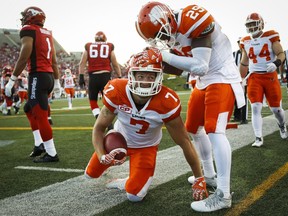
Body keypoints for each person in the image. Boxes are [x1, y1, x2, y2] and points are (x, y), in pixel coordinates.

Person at [135, 1, 245, 212]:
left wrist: (163, 55)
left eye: (162, 35)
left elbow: (201, 66)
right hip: (203, 82)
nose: (163, 41)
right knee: (193, 128)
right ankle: (210, 176)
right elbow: (178, 70)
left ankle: (223, 194)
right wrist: (153, 61)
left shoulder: (192, 19)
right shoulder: (168, 32)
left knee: (215, 130)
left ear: (167, 20)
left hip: (221, 76)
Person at [85, 51, 208, 203]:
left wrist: (199, 178)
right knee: (89, 174)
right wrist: (101, 155)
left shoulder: (166, 102)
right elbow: (98, 128)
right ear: (132, 76)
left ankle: (126, 181)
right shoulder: (117, 91)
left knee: (134, 196)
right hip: (118, 140)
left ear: (159, 77)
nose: (145, 82)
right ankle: (108, 161)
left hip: (145, 147)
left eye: (151, 76)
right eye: (141, 76)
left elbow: (185, 142)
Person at [5, 6, 61, 162]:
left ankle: (51, 153)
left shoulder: (29, 30)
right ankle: (39, 144)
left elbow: (24, 57)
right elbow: (55, 62)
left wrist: (11, 80)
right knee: (28, 108)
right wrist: (56, 82)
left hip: (38, 76)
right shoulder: (48, 33)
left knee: (40, 115)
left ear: (30, 17)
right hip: (48, 76)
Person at [239, 12, 287, 147]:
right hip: (254, 76)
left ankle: (282, 125)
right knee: (255, 107)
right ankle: (258, 137)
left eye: (254, 24)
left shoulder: (271, 35)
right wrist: (240, 79)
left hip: (269, 76)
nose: (252, 27)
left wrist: (276, 63)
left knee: (276, 109)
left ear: (261, 24)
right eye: (249, 25)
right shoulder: (245, 40)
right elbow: (244, 61)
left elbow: (281, 53)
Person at [78, 31, 122, 129]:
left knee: (92, 101)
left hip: (93, 77)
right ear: (105, 38)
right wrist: (119, 77)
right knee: (107, 101)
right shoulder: (109, 46)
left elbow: (82, 63)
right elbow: (115, 63)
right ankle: (109, 123)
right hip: (105, 76)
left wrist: (81, 76)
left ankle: (100, 119)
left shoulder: (89, 46)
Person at [233, 38, 248, 124]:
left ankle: (244, 118)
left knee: (243, 97)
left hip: (244, 77)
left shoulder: (247, 52)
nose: (240, 44)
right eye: (238, 42)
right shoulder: (235, 54)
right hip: (235, 77)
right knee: (236, 97)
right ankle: (237, 116)